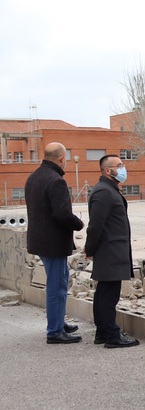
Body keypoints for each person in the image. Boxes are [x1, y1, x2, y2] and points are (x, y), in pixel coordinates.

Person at [25, 142, 84, 344]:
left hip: (40, 241)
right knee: (57, 286)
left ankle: (58, 322)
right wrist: (79, 224)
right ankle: (55, 331)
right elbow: (62, 214)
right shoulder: (56, 180)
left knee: (60, 280)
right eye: (66, 158)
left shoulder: (34, 177)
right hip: (53, 243)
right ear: (61, 159)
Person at [84, 154, 139, 348]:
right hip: (109, 251)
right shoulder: (103, 192)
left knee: (104, 293)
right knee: (109, 296)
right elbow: (95, 226)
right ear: (108, 170)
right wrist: (89, 248)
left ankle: (102, 333)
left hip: (113, 250)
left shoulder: (109, 189)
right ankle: (112, 336)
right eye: (120, 165)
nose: (123, 168)